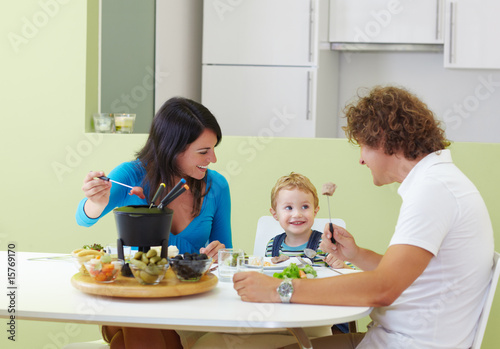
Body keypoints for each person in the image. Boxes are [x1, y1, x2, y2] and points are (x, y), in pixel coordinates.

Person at [233, 86, 495, 349]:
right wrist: (356, 254)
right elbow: (406, 274)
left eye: (362, 147)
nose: (360, 160)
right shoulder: (440, 183)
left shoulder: (433, 191)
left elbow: (383, 289)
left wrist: (279, 289)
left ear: (383, 141)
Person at [76, 97, 233, 348]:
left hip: (182, 299)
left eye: (213, 148)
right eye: (203, 151)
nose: (212, 158)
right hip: (134, 294)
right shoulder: (132, 175)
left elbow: (224, 250)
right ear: (172, 148)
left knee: (128, 339)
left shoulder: (216, 186)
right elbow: (83, 219)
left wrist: (218, 253)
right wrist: (96, 200)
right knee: (139, 318)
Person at [267, 172, 347, 270]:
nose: (297, 214)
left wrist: (342, 266)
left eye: (305, 206)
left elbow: (354, 277)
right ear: (275, 214)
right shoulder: (271, 245)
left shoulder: (327, 245)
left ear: (315, 211)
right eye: (288, 207)